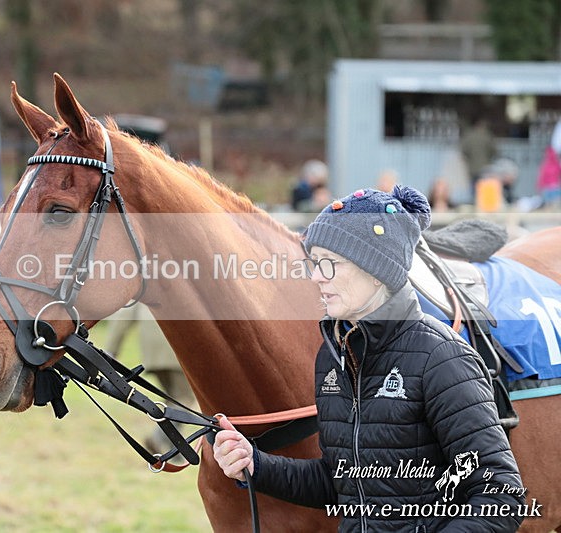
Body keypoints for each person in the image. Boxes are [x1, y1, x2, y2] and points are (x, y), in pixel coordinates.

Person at [212, 186, 525, 531]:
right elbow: (343, 482)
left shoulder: (442, 358)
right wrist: (256, 464)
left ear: (375, 271)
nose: (316, 277)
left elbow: (501, 497)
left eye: (329, 264)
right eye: (315, 263)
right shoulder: (334, 355)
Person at [105, 304, 198, 453]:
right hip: (175, 347)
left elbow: (125, 313)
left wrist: (111, 350)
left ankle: (176, 449)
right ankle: (158, 438)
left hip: (151, 353)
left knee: (173, 401)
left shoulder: (148, 285)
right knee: (184, 400)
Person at [460, 116, 496, 198]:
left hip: (472, 168)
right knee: (485, 190)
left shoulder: (469, 135)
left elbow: (463, 150)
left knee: (474, 190)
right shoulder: (487, 136)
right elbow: (494, 151)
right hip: (485, 167)